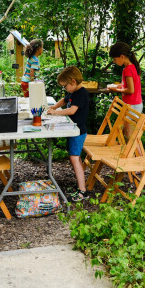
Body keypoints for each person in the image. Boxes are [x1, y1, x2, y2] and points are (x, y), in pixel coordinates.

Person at [47, 66, 90, 202]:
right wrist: (53, 107)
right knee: (74, 159)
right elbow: (64, 101)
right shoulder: (73, 91)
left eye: (65, 86)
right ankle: (80, 186)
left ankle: (83, 191)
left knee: (74, 158)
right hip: (73, 129)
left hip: (78, 132)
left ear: (73, 81)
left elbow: (71, 111)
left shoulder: (81, 94)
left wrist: (55, 112)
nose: (64, 89)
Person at [108, 42, 143, 139]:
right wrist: (121, 85)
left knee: (130, 137)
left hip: (132, 105)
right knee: (129, 135)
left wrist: (116, 90)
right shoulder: (132, 66)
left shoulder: (127, 69)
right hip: (135, 104)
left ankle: (135, 154)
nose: (114, 62)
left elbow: (131, 90)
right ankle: (132, 154)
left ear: (122, 56)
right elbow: (132, 84)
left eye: (115, 59)